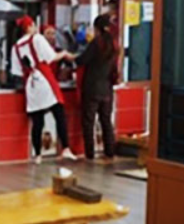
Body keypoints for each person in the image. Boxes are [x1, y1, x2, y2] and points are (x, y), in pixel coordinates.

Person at [11, 15, 77, 164]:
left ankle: (38, 155)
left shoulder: (16, 47)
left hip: (31, 84)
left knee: (37, 121)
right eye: (34, 25)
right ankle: (66, 148)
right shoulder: (37, 38)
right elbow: (52, 57)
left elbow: (17, 72)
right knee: (59, 113)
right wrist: (65, 54)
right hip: (45, 80)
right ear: (29, 27)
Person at [75, 15, 119, 161]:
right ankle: (109, 151)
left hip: (92, 87)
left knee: (89, 122)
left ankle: (90, 154)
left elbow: (82, 60)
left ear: (97, 28)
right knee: (106, 121)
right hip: (107, 88)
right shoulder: (114, 44)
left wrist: (72, 57)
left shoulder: (96, 43)